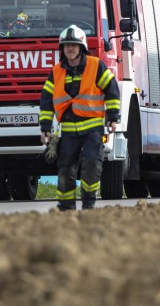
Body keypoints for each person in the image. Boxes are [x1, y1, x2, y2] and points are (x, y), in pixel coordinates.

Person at [39, 25, 121, 211]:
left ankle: (88, 205)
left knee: (91, 165)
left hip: (92, 129)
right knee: (65, 170)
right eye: (67, 45)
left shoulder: (95, 65)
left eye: (74, 45)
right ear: (62, 48)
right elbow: (46, 100)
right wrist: (45, 127)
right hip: (67, 130)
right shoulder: (57, 71)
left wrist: (113, 116)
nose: (70, 48)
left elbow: (111, 89)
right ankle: (66, 209)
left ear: (81, 47)